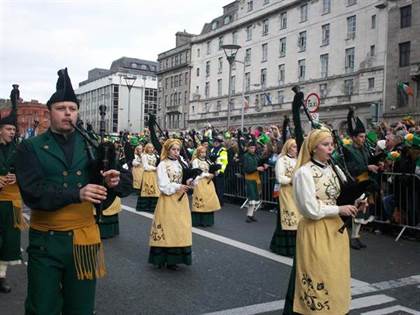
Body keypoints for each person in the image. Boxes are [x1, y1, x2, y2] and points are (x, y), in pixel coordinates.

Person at [15, 68, 123, 314]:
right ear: (49, 113)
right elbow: (33, 193)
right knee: (42, 307)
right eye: (61, 108)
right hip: (46, 242)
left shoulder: (90, 145)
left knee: (81, 308)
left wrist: (112, 183)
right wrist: (77, 193)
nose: (68, 113)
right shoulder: (31, 147)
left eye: (72, 109)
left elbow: (104, 196)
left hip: (84, 240)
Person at [283, 128, 363, 315]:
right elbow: (309, 209)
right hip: (316, 228)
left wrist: (357, 202)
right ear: (313, 148)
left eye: (331, 144)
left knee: (335, 273)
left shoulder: (335, 169)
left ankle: (335, 308)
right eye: (325, 145)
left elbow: (344, 194)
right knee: (319, 272)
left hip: (336, 228)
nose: (330, 148)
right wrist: (339, 209)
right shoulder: (304, 173)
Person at [148, 139, 193, 270]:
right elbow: (163, 185)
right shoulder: (163, 165)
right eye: (173, 149)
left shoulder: (181, 163)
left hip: (181, 200)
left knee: (180, 227)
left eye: (178, 150)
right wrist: (178, 186)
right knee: (168, 227)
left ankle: (175, 259)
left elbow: (185, 178)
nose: (176, 152)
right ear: (168, 150)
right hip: (168, 200)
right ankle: (161, 258)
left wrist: (191, 180)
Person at [343, 109, 377, 250]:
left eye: (364, 136)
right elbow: (349, 167)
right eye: (361, 136)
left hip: (365, 183)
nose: (364, 139)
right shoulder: (347, 149)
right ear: (355, 137)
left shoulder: (364, 149)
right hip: (355, 183)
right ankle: (350, 237)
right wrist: (366, 167)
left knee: (362, 210)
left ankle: (356, 237)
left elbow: (367, 161)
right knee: (355, 211)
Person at [0, 111, 26, 293]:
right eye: (8, 129)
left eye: (14, 130)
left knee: (8, 242)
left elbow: (27, 172)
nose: (12, 132)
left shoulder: (17, 149)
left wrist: (17, 176)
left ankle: (1, 277)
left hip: (11, 202)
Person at [270, 139, 300, 257]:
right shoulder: (282, 160)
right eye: (293, 147)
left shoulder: (299, 160)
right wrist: (292, 180)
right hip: (286, 192)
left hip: (297, 193)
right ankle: (284, 247)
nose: (296, 149)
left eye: (297, 147)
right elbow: (280, 178)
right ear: (288, 148)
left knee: (298, 218)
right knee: (288, 217)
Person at [191, 145, 221, 227]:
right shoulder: (196, 161)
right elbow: (196, 171)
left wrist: (215, 171)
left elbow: (212, 169)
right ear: (198, 153)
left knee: (209, 200)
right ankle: (198, 221)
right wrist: (207, 175)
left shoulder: (208, 161)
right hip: (200, 182)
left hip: (209, 182)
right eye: (201, 152)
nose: (203, 154)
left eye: (204, 152)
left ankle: (207, 221)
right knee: (201, 200)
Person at [243, 139, 267, 223]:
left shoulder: (256, 156)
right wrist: (256, 168)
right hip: (250, 179)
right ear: (248, 148)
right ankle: (249, 215)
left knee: (255, 198)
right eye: (251, 148)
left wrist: (264, 165)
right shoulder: (246, 156)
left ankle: (251, 215)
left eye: (254, 148)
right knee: (252, 198)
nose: (253, 149)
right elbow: (247, 169)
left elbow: (260, 162)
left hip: (256, 179)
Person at [137, 143, 160, 212]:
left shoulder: (154, 155)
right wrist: (155, 168)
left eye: (152, 147)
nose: (151, 149)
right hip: (147, 174)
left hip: (154, 174)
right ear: (146, 148)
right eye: (149, 147)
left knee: (155, 189)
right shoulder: (144, 156)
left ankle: (152, 207)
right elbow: (145, 166)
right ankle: (144, 206)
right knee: (147, 189)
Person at [209, 136, 228, 206]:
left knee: (219, 187)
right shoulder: (212, 149)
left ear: (219, 143)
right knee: (213, 187)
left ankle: (220, 202)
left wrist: (221, 171)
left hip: (219, 171)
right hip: (213, 171)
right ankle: (214, 201)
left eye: (217, 142)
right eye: (214, 142)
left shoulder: (222, 150)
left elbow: (224, 161)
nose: (215, 143)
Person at [132, 144, 144, 211]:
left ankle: (140, 189)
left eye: (141, 148)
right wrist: (138, 162)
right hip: (137, 169)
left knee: (141, 179)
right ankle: (136, 190)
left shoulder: (143, 155)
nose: (140, 150)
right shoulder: (134, 155)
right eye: (139, 148)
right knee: (137, 179)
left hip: (142, 169)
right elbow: (133, 162)